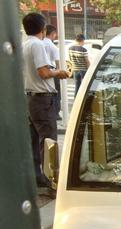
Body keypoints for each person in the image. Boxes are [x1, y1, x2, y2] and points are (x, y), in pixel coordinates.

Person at [22, 13, 69, 191]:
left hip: (30, 99)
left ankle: (37, 178)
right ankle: (52, 184)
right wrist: (59, 72)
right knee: (49, 143)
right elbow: (43, 73)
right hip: (42, 99)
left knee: (34, 141)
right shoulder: (38, 45)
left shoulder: (24, 45)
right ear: (43, 29)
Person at [43, 24, 61, 117]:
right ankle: (56, 113)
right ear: (53, 34)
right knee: (56, 93)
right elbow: (58, 63)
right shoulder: (52, 46)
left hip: (42, 72)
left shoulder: (40, 44)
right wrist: (59, 72)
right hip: (52, 72)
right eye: (55, 35)